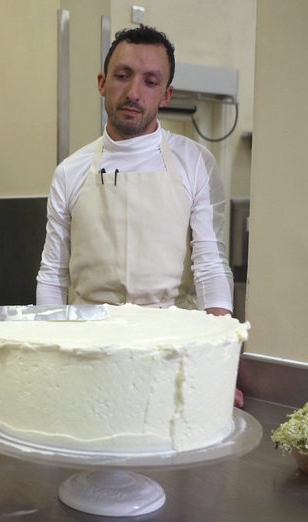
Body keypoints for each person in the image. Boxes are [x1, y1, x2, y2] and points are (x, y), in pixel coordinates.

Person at [36, 25, 242, 406]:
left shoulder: (195, 163)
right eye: (123, 76)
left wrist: (219, 363)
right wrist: (51, 351)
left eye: (150, 81)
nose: (133, 93)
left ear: (166, 95)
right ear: (102, 82)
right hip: (87, 350)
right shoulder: (70, 171)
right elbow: (53, 273)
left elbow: (211, 266)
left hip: (171, 349)